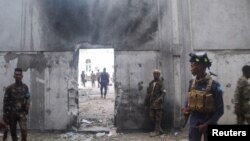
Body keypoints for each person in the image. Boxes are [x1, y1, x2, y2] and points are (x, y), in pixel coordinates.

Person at [181, 52, 224, 141]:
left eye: (193, 65)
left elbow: (220, 110)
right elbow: (188, 99)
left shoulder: (215, 85)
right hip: (194, 120)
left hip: (210, 120)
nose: (191, 68)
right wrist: (186, 108)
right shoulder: (192, 83)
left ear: (199, 66)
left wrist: (207, 124)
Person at [3, 68, 31, 141]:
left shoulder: (25, 87)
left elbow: (28, 98)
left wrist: (26, 109)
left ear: (22, 76)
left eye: (19, 75)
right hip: (12, 114)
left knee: (24, 130)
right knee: (13, 132)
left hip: (22, 113)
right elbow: (5, 102)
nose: (17, 76)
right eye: (16, 74)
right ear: (14, 76)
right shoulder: (9, 88)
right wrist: (5, 114)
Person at [143, 69, 166, 137]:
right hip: (152, 103)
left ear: (159, 75)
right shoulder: (151, 83)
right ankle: (159, 129)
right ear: (153, 75)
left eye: (157, 74)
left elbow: (163, 93)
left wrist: (159, 100)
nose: (155, 75)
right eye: (154, 74)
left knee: (158, 118)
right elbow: (148, 93)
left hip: (158, 104)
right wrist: (145, 103)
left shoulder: (161, 83)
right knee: (152, 116)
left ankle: (157, 131)